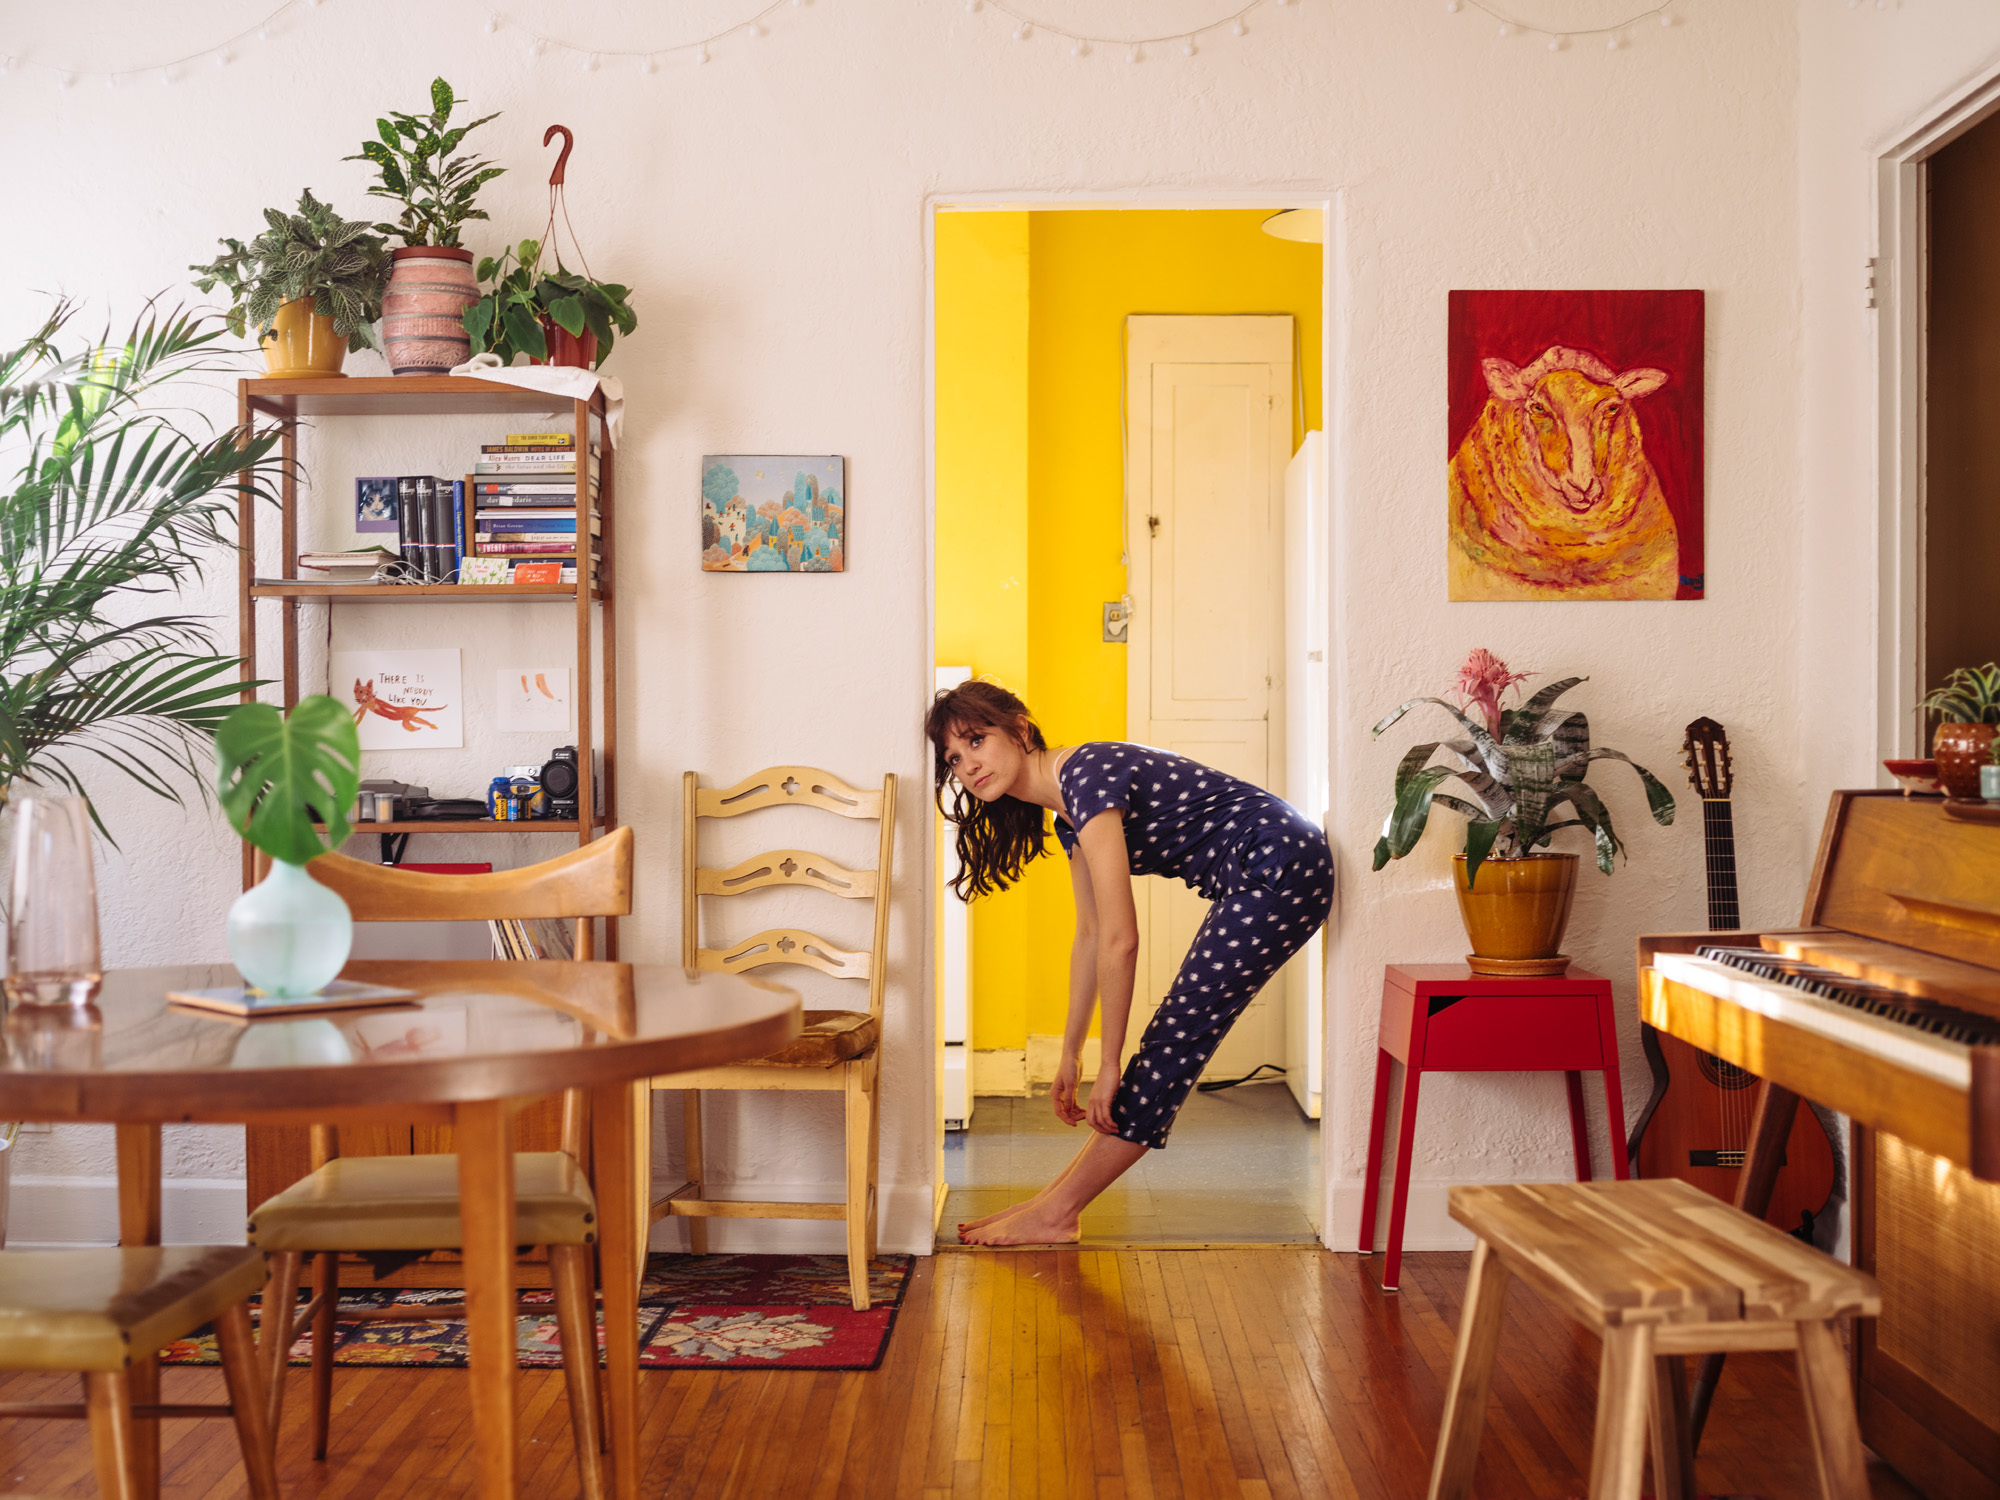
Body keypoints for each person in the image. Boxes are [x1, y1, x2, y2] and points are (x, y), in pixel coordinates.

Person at [927, 680, 1334, 1246]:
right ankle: (1051, 1204)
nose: (968, 764)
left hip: (1281, 862)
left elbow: (1123, 937)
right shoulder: (1068, 814)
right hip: (1264, 868)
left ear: (1020, 729)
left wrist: (1110, 1062)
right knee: (1175, 1032)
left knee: (1174, 1037)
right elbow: (1091, 936)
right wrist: (1070, 1053)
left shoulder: (1086, 773)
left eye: (976, 740)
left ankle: (1058, 1212)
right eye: (953, 758)